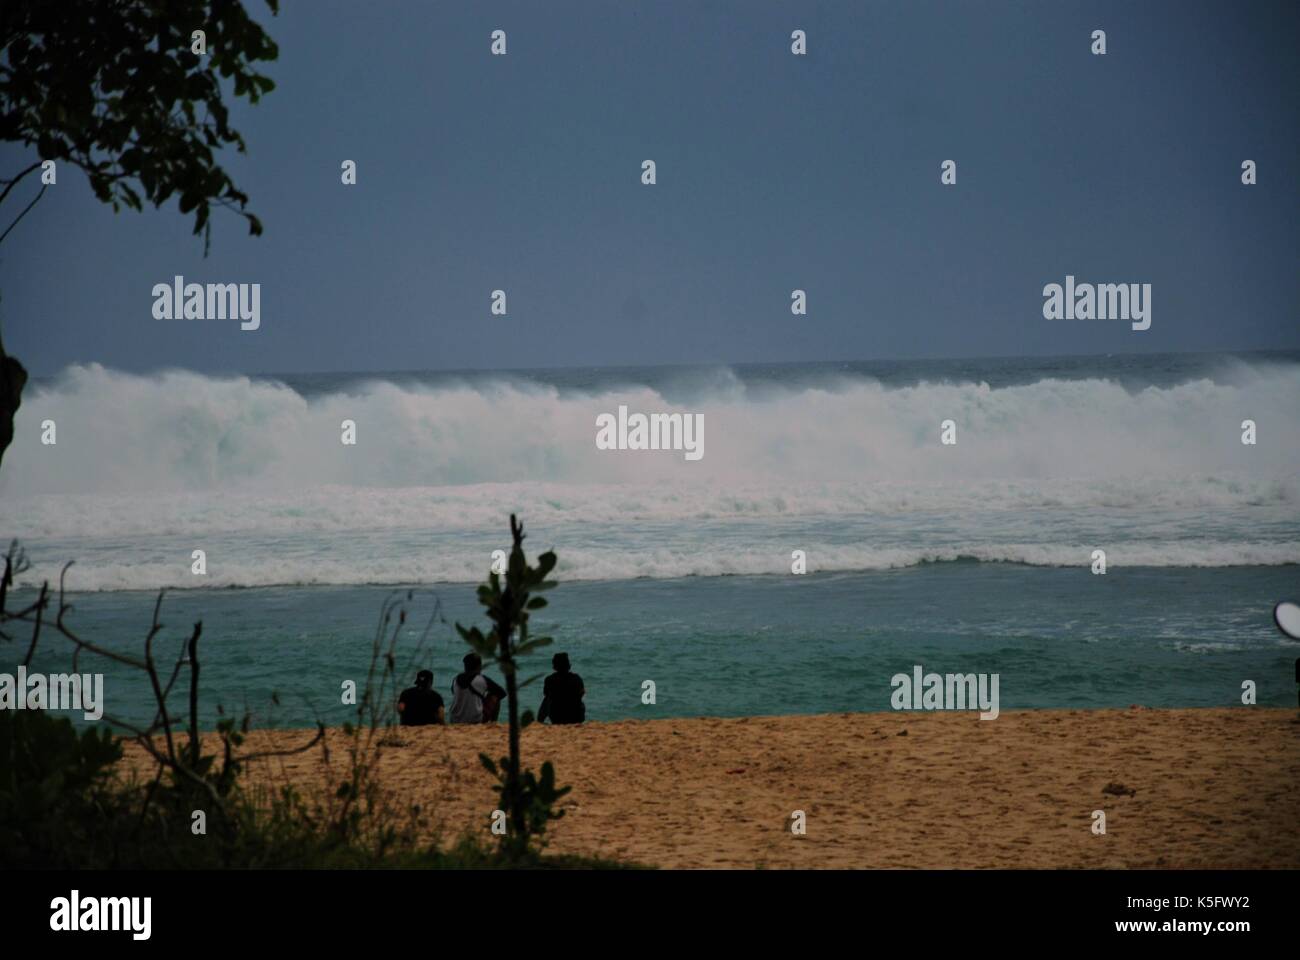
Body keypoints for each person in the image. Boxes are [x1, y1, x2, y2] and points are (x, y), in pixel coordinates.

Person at [449, 652, 507, 724]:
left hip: (455, 720)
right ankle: (493, 722)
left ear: (465, 666)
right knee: (495, 696)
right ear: (479, 666)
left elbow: (453, 692)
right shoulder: (482, 679)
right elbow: (502, 693)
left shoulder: (456, 679)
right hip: (475, 720)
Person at [538, 652, 585, 725]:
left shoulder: (550, 679)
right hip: (576, 717)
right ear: (568, 665)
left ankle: (540, 721)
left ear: (554, 666)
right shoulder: (576, 678)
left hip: (557, 717)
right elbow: (582, 693)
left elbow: (546, 694)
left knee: (546, 700)